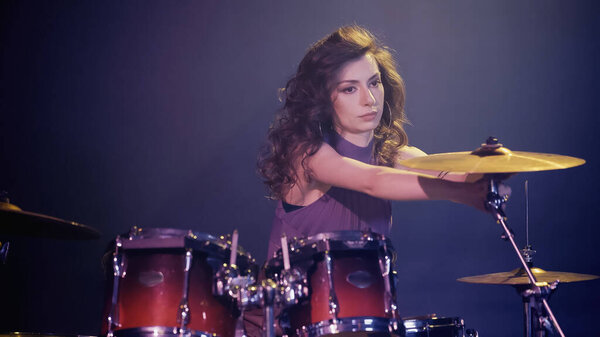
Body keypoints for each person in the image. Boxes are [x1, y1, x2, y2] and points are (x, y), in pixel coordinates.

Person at [248, 25, 510, 336]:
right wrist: (463, 193)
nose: (369, 99)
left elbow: (450, 173)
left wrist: (490, 174)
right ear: (322, 99)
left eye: (374, 83)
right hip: (285, 326)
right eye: (350, 88)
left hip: (358, 323)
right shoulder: (306, 154)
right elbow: (372, 181)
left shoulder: (394, 153)